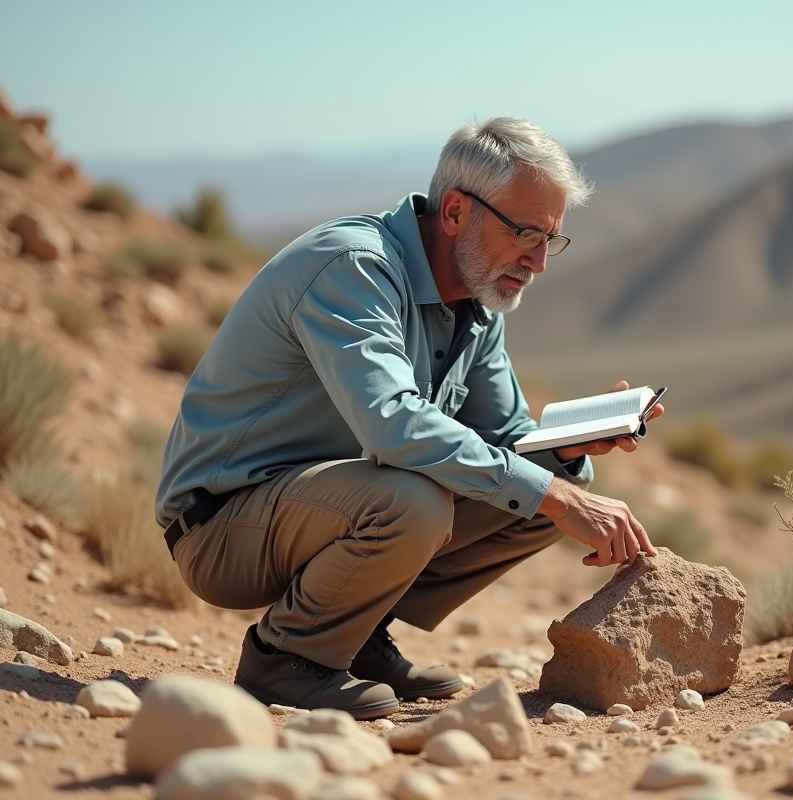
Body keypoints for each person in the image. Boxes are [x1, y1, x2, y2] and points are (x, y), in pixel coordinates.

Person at [154, 118, 660, 720]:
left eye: (552, 238)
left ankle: (353, 632)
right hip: (220, 527)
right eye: (525, 232)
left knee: (550, 488)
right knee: (420, 496)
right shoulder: (353, 268)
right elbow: (392, 425)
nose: (540, 261)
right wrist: (546, 488)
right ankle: (287, 659)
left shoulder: (477, 303)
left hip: (330, 508)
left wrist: (570, 451)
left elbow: (504, 443)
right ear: (453, 212)